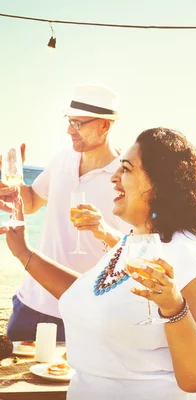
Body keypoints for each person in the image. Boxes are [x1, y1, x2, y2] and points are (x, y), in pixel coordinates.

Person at [0, 127, 196, 399]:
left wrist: (173, 307)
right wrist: (24, 252)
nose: (114, 178)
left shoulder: (188, 254)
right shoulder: (133, 241)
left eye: (126, 169)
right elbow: (88, 294)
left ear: (160, 183)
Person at [0, 84, 130, 341]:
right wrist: (11, 185)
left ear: (105, 126)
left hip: (83, 312)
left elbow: (132, 247)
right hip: (30, 302)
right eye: (69, 121)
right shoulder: (62, 160)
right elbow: (33, 201)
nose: (69, 130)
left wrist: (102, 228)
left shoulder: (126, 177)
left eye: (79, 123)